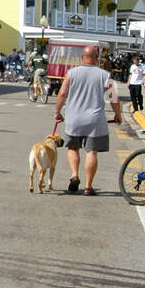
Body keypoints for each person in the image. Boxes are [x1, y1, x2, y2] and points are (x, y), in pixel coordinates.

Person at [54, 45, 120, 195]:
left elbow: (62, 93)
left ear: (82, 58)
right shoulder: (105, 75)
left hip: (74, 118)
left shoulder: (71, 73)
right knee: (92, 152)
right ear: (97, 58)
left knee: (72, 148)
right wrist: (118, 115)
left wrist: (57, 112)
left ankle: (74, 175)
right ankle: (88, 186)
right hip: (95, 120)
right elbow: (113, 97)